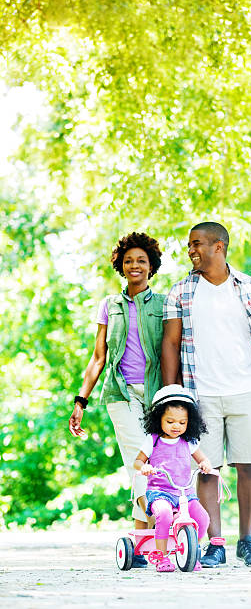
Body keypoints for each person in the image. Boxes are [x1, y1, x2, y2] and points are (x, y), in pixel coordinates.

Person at [161, 221, 251, 568]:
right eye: (189, 245)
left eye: (197, 244)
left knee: (249, 465)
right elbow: (171, 344)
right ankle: (215, 543)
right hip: (201, 393)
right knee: (207, 469)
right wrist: (171, 394)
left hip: (246, 390)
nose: (191, 250)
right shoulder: (180, 291)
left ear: (219, 246)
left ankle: (246, 541)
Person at [68, 231, 165, 568]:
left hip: (158, 395)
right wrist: (81, 400)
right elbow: (98, 357)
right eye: (128, 261)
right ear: (120, 267)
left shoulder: (165, 305)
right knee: (140, 461)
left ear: (151, 266)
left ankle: (141, 543)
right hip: (119, 394)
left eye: (141, 260)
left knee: (157, 464)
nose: (134, 265)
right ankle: (160, 525)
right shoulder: (109, 306)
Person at [134, 384, 211, 572]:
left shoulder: (189, 442)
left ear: (189, 422)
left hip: (185, 493)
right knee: (164, 514)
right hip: (159, 492)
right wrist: (144, 467)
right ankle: (161, 556)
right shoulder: (153, 440)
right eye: (170, 421)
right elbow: (137, 461)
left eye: (182, 422)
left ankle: (191, 550)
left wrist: (205, 465)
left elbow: (203, 459)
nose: (176, 426)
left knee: (202, 518)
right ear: (158, 418)